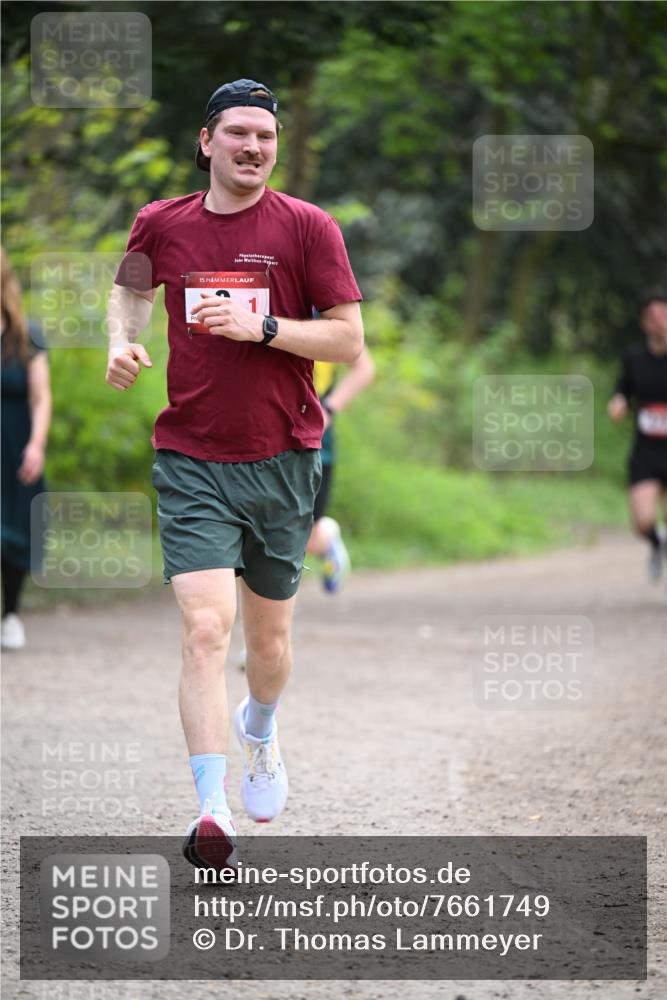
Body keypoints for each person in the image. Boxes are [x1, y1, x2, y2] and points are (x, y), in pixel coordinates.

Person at [106, 80, 363, 867]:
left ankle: (260, 726)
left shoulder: (308, 228)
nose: (254, 147)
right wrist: (121, 340)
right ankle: (211, 810)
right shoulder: (161, 222)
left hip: (283, 457)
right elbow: (129, 288)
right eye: (239, 133)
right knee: (204, 629)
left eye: (266, 136)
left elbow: (347, 340)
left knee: (269, 645)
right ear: (206, 141)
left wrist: (265, 327)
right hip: (191, 457)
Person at [1, 248, 52, 650]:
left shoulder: (26, 335)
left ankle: (12, 615)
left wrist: (36, 445)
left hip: (15, 448)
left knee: (15, 533)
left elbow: (41, 397)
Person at [608, 288, 667, 581]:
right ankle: (658, 543)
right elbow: (622, 389)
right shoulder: (635, 358)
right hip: (646, 451)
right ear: (644, 323)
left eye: (663, 314)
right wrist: (618, 402)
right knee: (643, 522)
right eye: (651, 316)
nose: (658, 321)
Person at [308, 347, 375, 593]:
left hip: (314, 444)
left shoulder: (324, 320)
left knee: (303, 538)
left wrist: (328, 409)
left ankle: (327, 540)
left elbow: (364, 367)